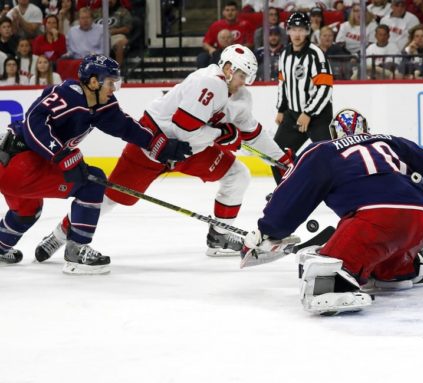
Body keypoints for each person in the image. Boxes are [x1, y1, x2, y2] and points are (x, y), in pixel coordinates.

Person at [242, 109, 423, 315]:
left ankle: (339, 280)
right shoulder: (390, 142)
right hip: (419, 221)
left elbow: (293, 195)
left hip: (374, 221)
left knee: (319, 269)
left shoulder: (322, 151)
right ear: (366, 130)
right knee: (381, 266)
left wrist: (268, 231)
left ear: (334, 134)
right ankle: (410, 266)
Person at [35, 44, 292, 260]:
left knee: (238, 174)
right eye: (241, 76)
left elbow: (254, 133)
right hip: (154, 143)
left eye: (247, 78)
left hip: (189, 149)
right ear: (227, 69)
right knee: (111, 197)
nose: (244, 83)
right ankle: (58, 235)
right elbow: (184, 130)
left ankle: (219, 236)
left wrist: (283, 161)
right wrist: (223, 136)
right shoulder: (209, 82)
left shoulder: (240, 97)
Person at [0, 54, 192, 272]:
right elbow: (34, 123)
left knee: (26, 211)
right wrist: (62, 156)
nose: (114, 88)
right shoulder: (67, 95)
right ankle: (76, 251)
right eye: (110, 82)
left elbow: (127, 127)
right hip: (19, 165)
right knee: (93, 183)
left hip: (13, 165)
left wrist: (161, 146)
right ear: (93, 81)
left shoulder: (102, 105)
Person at [273, 12, 333, 184]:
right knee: (277, 154)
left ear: (307, 31)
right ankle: (286, 191)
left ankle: (336, 192)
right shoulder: (284, 54)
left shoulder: (316, 55)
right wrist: (281, 109)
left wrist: (308, 113)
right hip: (293, 114)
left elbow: (325, 88)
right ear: (288, 31)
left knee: (328, 157)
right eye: (293, 29)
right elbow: (283, 84)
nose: (297, 34)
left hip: (319, 116)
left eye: (301, 30)